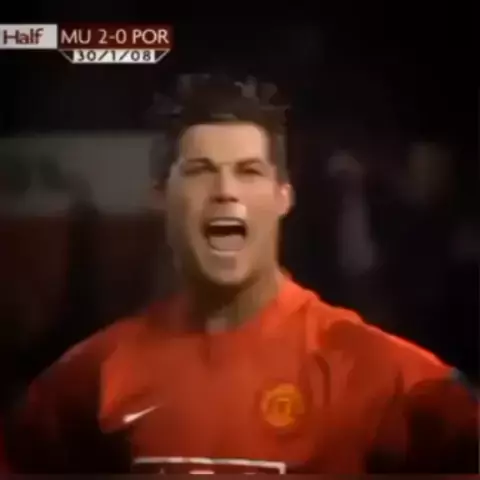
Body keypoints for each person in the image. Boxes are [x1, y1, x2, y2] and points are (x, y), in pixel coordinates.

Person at [5, 77, 478, 474]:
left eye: (248, 171)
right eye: (200, 170)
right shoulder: (100, 371)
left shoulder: (370, 366)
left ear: (283, 195)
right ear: (161, 197)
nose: (225, 190)